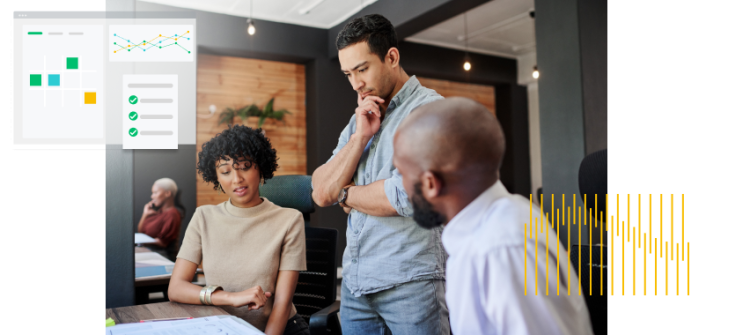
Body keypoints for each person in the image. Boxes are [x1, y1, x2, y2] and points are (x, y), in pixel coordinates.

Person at [393, 97, 594, 335]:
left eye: (402, 173)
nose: (402, 187)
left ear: (430, 183)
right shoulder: (498, 224)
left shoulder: (499, 249)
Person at [311, 14, 449, 335]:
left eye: (362, 69)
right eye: (348, 73)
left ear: (391, 57)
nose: (356, 83)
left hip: (411, 283)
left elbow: (409, 194)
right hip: (357, 286)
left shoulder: (429, 110)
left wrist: (346, 193)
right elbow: (320, 191)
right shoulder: (361, 116)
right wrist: (360, 137)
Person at [168, 125, 310, 335]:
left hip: (277, 329)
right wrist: (230, 297)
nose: (236, 179)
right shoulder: (203, 217)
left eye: (244, 166)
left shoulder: (290, 220)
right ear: (216, 177)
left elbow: (281, 303)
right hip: (222, 327)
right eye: (225, 171)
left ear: (260, 167)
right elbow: (176, 288)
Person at [137, 177, 184, 250]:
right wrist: (145, 214)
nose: (152, 196)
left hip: (161, 255)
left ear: (167, 193)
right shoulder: (157, 212)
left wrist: (143, 241)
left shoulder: (172, 214)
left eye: (155, 192)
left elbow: (163, 243)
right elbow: (141, 232)